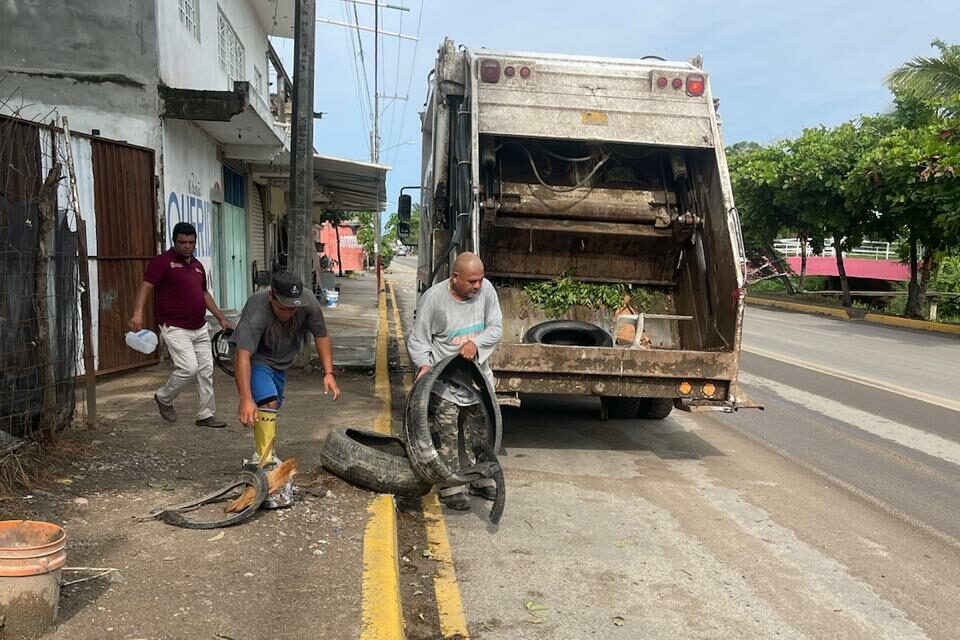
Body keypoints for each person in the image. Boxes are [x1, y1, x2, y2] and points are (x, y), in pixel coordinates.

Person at [230, 271, 340, 505]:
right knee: (266, 402)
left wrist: (328, 372)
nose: (289, 313)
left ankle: (265, 453)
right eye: (283, 308)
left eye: (294, 309)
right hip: (256, 359)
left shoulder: (308, 302)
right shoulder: (257, 309)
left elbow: (321, 335)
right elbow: (242, 355)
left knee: (272, 407)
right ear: (272, 296)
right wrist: (245, 397)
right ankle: (264, 459)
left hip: (281, 362)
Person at [407, 252, 503, 511]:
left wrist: (475, 343)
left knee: (480, 431)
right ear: (455, 278)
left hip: (476, 381)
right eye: (472, 281)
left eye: (481, 280)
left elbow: (495, 328)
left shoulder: (486, 292)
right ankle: (451, 486)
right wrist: (425, 365)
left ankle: (479, 479)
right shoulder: (434, 300)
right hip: (445, 382)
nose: (478, 286)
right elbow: (418, 340)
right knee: (447, 433)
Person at [130, 222, 231, 428]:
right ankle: (164, 397)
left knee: (206, 370)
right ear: (174, 241)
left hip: (200, 326)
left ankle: (206, 414)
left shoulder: (197, 265)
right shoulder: (162, 262)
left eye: (191, 242)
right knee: (189, 368)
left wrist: (221, 317)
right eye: (182, 242)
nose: (187, 246)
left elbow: (204, 294)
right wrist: (137, 312)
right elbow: (146, 286)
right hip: (175, 326)